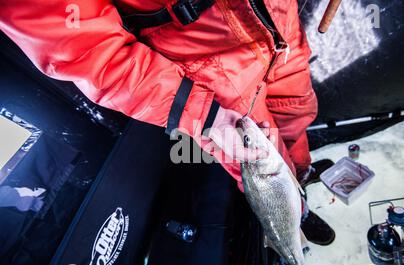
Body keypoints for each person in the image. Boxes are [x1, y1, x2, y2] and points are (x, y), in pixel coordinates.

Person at [0, 0, 335, 245]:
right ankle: (296, 218)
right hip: (210, 67)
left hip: (277, 24)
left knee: (297, 111)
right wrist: (202, 115)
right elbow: (88, 50)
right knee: (262, 159)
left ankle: (302, 174)